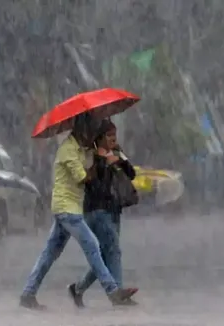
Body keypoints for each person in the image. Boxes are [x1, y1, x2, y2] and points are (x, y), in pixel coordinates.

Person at [19, 113, 136, 310]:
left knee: (49, 254)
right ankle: (112, 290)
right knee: (92, 246)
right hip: (67, 209)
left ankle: (28, 293)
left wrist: (111, 154)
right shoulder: (68, 151)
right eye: (91, 131)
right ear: (83, 130)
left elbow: (123, 169)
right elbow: (85, 179)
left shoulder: (82, 148)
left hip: (71, 207)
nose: (94, 135)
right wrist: (101, 160)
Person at [68, 119, 138, 308]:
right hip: (96, 210)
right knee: (113, 251)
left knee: (106, 256)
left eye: (114, 135)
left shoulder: (117, 152)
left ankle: (78, 288)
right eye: (109, 136)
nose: (113, 139)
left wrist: (119, 161)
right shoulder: (90, 155)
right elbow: (93, 185)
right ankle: (118, 293)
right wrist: (103, 163)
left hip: (115, 208)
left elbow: (131, 174)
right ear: (99, 138)